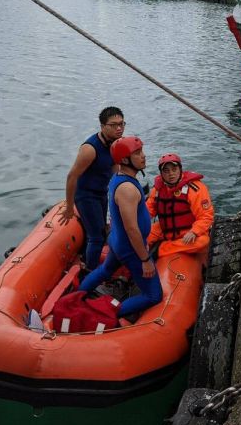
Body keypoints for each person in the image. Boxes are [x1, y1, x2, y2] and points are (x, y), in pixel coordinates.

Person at [78, 136, 163, 322]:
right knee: (153, 296)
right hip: (129, 247)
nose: (143, 156)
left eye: (142, 151)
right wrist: (145, 259)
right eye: (137, 153)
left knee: (106, 270)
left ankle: (77, 295)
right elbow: (132, 229)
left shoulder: (119, 176)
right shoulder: (127, 189)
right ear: (124, 160)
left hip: (117, 240)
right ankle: (101, 315)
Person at [61, 107, 125, 269]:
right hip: (86, 196)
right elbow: (72, 177)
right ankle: (91, 271)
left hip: (102, 193)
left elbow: (115, 168)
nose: (119, 128)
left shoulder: (116, 144)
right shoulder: (90, 149)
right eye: (114, 125)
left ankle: (84, 257)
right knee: (97, 237)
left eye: (122, 124)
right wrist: (69, 207)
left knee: (100, 232)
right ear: (103, 126)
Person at [145, 153, 214, 258]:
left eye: (174, 169)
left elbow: (206, 216)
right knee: (138, 238)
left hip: (188, 230)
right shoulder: (157, 190)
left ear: (180, 170)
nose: (171, 174)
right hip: (164, 228)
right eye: (166, 171)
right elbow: (146, 213)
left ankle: (161, 249)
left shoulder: (195, 188)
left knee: (202, 241)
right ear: (161, 174)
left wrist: (194, 232)